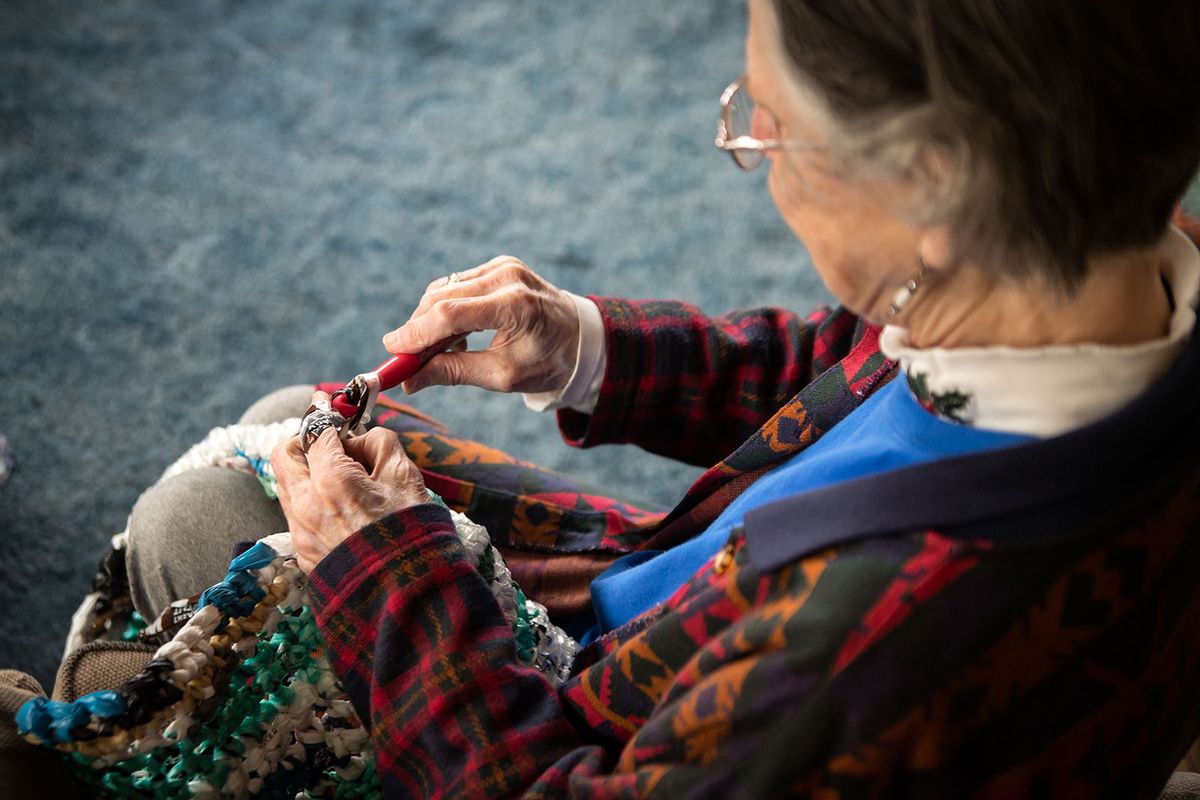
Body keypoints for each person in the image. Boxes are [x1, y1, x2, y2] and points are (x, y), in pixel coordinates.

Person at [11, 0, 1200, 796]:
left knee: (166, 583)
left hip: (596, 725)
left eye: (767, 128)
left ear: (934, 184)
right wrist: (580, 349)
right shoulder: (1101, 279)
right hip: (665, 628)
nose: (756, 153)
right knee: (276, 441)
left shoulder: (876, 647)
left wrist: (391, 584)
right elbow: (859, 362)